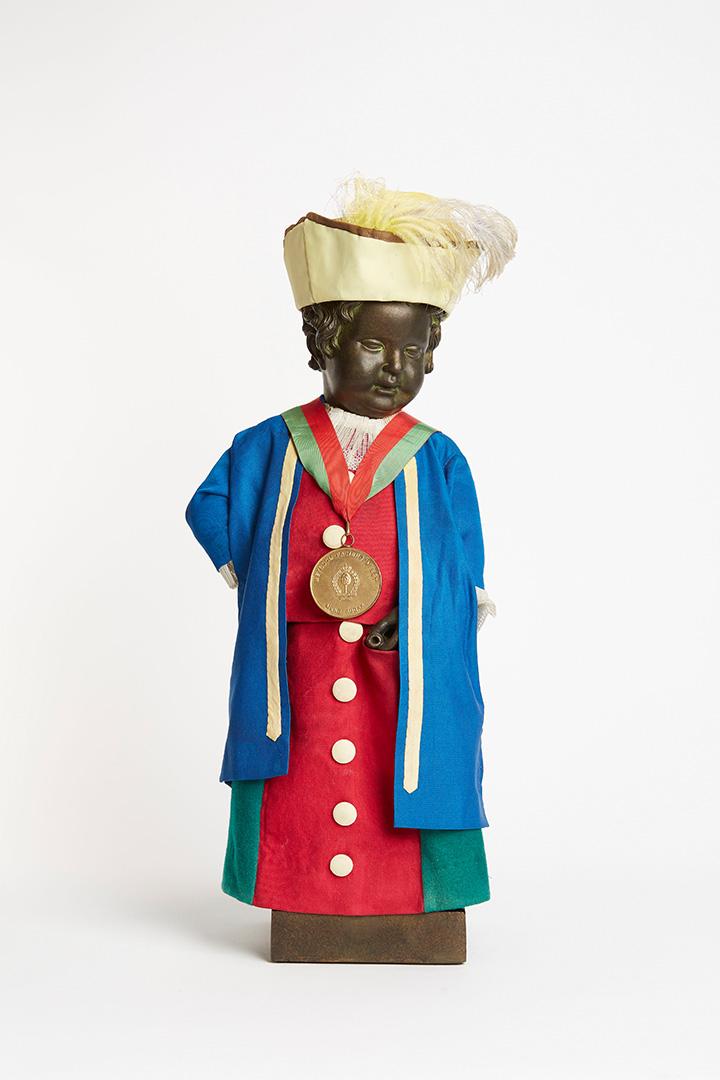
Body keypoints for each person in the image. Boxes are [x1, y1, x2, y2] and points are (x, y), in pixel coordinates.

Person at [186, 178, 516, 917]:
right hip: (299, 659)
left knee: (394, 766)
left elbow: (464, 568)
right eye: (372, 344)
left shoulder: (438, 458)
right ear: (325, 343)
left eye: (411, 350)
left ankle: (414, 907)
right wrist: (258, 572)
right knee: (305, 771)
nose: (393, 367)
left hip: (399, 663)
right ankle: (301, 898)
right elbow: (208, 503)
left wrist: (427, 618)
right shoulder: (270, 443)